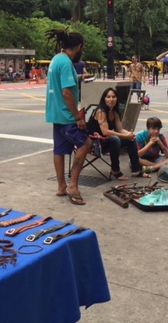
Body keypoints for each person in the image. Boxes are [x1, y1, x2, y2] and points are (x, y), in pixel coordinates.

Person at [45, 28, 92, 206]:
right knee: (85, 143)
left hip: (55, 114)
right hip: (66, 115)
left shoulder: (56, 59)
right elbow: (66, 92)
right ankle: (72, 185)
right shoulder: (66, 63)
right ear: (79, 46)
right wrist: (78, 117)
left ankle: (61, 186)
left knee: (60, 149)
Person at [87, 87, 148, 180]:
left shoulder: (114, 112)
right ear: (104, 99)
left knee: (131, 140)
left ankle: (136, 170)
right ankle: (115, 169)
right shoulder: (101, 111)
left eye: (113, 97)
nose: (111, 99)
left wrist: (130, 134)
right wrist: (125, 136)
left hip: (106, 140)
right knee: (115, 139)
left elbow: (120, 129)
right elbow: (105, 131)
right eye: (108, 97)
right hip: (95, 142)